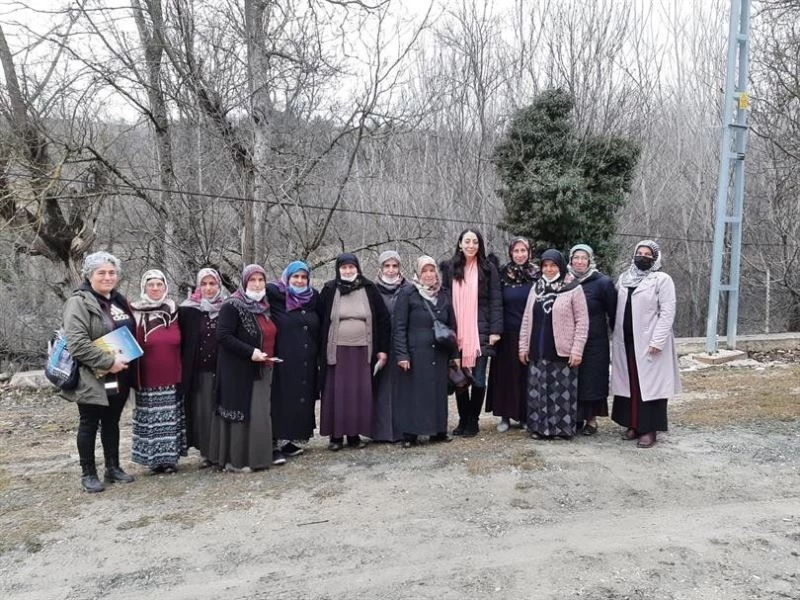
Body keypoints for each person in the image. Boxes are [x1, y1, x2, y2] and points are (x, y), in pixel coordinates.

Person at [61, 251, 136, 493]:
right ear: (89, 275)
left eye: (112, 272)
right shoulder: (79, 302)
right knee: (89, 423)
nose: (107, 277)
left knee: (112, 421)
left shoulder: (118, 300)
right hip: (91, 375)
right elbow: (78, 343)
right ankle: (88, 473)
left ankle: (113, 468)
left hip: (120, 374)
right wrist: (107, 362)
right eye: (101, 272)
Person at [610, 240, 681, 448]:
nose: (642, 256)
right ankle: (631, 423)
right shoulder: (624, 279)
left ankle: (649, 429)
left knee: (648, 387)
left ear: (655, 257)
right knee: (629, 383)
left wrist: (658, 340)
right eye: (639, 253)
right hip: (626, 340)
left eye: (647, 254)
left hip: (650, 342)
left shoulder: (662, 279)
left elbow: (668, 312)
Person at [318, 253, 390, 451]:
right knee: (337, 393)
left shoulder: (369, 288)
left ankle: (354, 435)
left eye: (351, 267)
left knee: (359, 393)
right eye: (344, 268)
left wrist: (382, 349)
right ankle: (336, 436)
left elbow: (383, 320)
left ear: (357, 268)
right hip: (336, 351)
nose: (348, 271)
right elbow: (320, 319)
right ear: (338, 270)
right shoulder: (330, 289)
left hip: (363, 351)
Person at [208, 264, 277, 470]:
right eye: (252, 280)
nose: (257, 284)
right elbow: (223, 335)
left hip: (264, 368)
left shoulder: (265, 306)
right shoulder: (233, 305)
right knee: (245, 414)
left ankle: (258, 459)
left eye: (261, 280)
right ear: (245, 282)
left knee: (260, 414)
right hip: (239, 370)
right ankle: (237, 460)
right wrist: (251, 352)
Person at [518, 249, 589, 440]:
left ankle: (561, 430)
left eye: (553, 265)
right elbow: (526, 318)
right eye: (545, 265)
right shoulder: (536, 288)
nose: (549, 269)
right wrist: (523, 347)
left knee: (561, 392)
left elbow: (582, 321)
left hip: (562, 351)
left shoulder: (573, 288)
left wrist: (577, 350)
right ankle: (540, 429)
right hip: (537, 349)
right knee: (539, 391)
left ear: (560, 266)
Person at [440, 229, 503, 437]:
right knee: (459, 377)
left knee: (478, 377)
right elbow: (445, 300)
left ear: (479, 245)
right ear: (460, 244)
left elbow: (496, 300)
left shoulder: (488, 268)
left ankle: (473, 420)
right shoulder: (450, 268)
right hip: (457, 330)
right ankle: (463, 419)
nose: (471, 245)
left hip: (481, 331)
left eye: (475, 242)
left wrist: (495, 330)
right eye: (467, 241)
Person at [394, 256, 458, 447]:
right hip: (416, 353)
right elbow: (399, 327)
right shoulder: (408, 294)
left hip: (439, 353)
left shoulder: (444, 294)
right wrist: (402, 354)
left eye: (432, 270)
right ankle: (410, 433)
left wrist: (455, 355)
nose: (429, 275)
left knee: (437, 392)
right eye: (425, 271)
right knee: (414, 394)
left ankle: (438, 430)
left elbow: (452, 327)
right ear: (418, 273)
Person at [131, 269, 186, 473]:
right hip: (146, 375)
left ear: (165, 287)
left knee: (170, 418)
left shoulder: (173, 309)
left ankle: (170, 460)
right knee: (152, 418)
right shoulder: (134, 311)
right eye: (151, 285)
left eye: (159, 285)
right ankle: (153, 461)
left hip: (172, 373)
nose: (155, 289)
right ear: (144, 287)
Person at [266, 260, 320, 460]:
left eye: (303, 277)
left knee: (298, 399)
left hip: (306, 359)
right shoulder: (275, 295)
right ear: (287, 278)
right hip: (282, 359)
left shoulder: (313, 298)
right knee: (279, 399)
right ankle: (273, 442)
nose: (299, 281)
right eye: (295, 277)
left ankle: (288, 440)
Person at [486, 237, 538, 432]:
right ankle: (505, 416)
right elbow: (495, 304)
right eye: (516, 251)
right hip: (506, 333)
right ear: (510, 253)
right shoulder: (502, 275)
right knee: (505, 376)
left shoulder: (537, 275)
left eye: (523, 251)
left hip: (530, 332)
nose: (519, 255)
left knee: (526, 375)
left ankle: (525, 416)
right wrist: (495, 330)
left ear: (529, 252)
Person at [179, 267, 227, 467]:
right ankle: (208, 453)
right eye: (204, 284)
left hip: (223, 370)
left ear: (219, 285)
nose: (208, 288)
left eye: (212, 283)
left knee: (221, 412)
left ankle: (223, 451)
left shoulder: (228, 306)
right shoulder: (188, 309)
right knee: (203, 412)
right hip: (200, 371)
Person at [567, 244, 617, 436]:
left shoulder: (602, 282)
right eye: (576, 258)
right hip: (571, 340)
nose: (579, 261)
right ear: (570, 260)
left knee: (592, 381)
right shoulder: (566, 281)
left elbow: (613, 311)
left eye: (583, 258)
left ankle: (591, 420)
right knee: (574, 380)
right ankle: (575, 418)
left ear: (590, 260)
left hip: (595, 340)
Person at [372, 250, 412, 442]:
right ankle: (381, 432)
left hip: (403, 345)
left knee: (403, 389)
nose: (390, 270)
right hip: (381, 346)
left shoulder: (409, 288)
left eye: (394, 266)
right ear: (381, 268)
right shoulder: (372, 290)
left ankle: (403, 429)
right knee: (382, 390)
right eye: (387, 266)